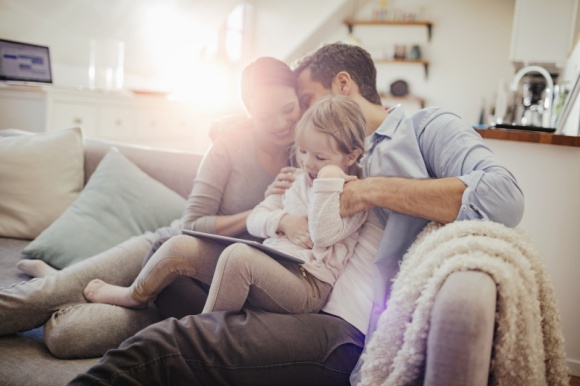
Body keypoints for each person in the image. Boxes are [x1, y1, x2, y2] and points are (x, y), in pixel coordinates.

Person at [68, 42, 523, 385]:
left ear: (343, 85)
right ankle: (103, 310)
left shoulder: (426, 129)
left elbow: (505, 196)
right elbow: (273, 206)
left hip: (340, 321)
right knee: (177, 265)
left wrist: (368, 191)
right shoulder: (313, 154)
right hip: (286, 277)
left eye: (305, 102)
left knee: (170, 340)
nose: (296, 120)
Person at [0, 56, 301, 358]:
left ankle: (68, 279)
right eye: (264, 116)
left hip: (200, 290)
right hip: (165, 251)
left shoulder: (308, 153)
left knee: (67, 337)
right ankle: (57, 279)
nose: (280, 124)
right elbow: (192, 224)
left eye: (288, 110)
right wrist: (258, 214)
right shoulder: (230, 143)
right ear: (248, 114)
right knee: (43, 297)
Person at [82, 95, 368, 316]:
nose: (308, 163)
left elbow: (322, 234)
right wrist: (281, 221)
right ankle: (133, 296)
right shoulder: (296, 179)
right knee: (179, 246)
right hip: (271, 261)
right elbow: (257, 217)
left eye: (320, 157)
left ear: (351, 156)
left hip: (307, 284)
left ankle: (200, 335)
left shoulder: (356, 194)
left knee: (238, 257)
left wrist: (328, 180)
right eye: (303, 152)